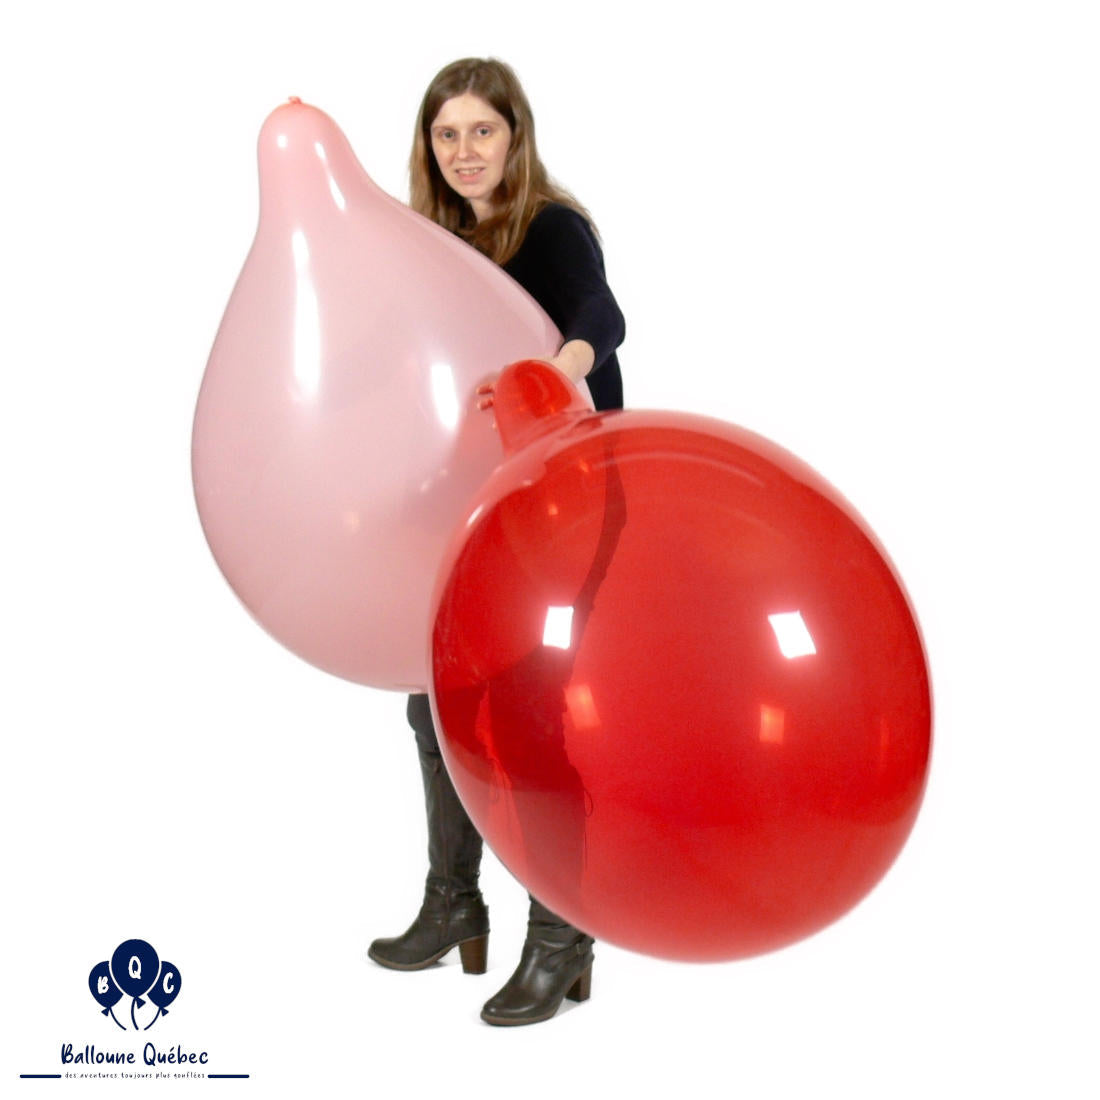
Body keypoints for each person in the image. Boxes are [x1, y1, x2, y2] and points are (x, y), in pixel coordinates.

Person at [367, 57, 625, 1027]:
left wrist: (559, 367)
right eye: (447, 134)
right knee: (431, 699)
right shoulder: (437, 244)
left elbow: (601, 314)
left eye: (482, 130)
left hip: (566, 502)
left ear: (514, 136)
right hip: (475, 504)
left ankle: (561, 936)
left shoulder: (550, 228)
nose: (464, 151)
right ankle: (454, 904)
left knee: (533, 714)